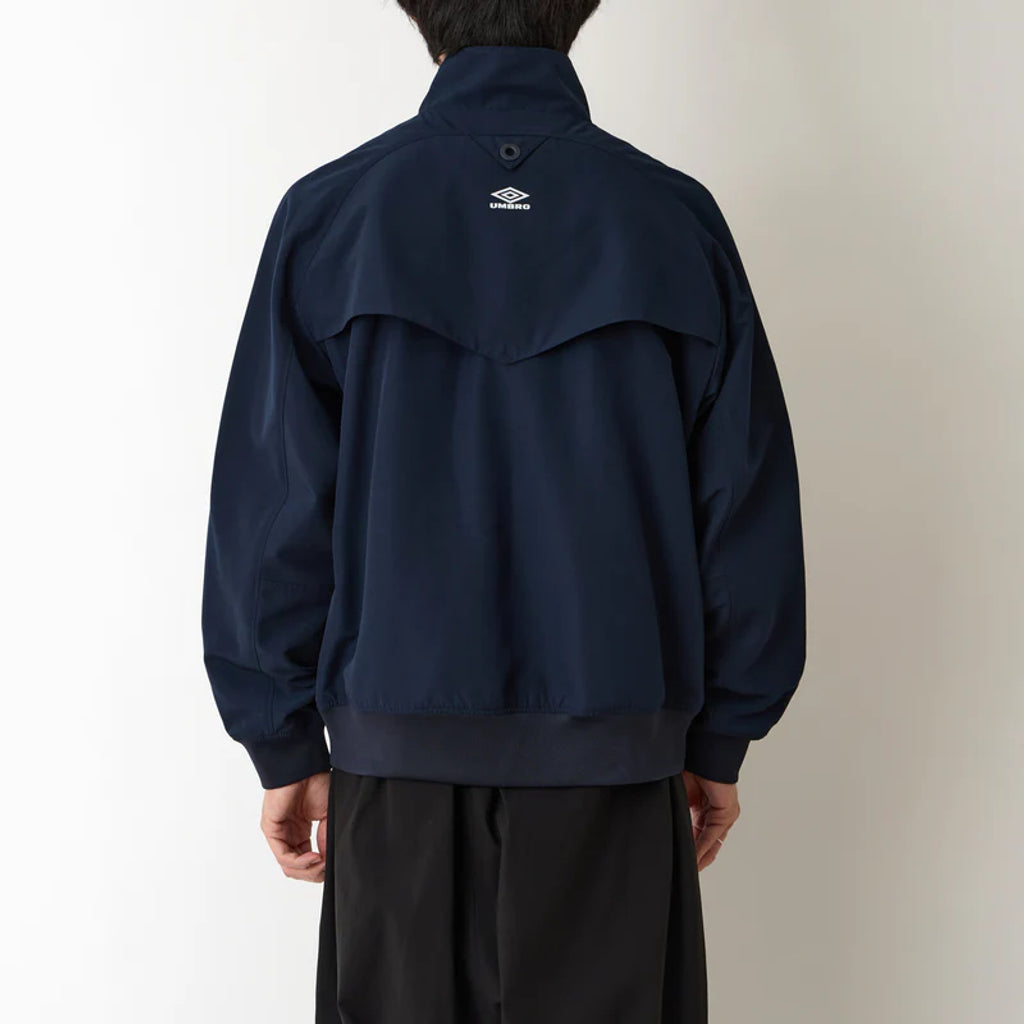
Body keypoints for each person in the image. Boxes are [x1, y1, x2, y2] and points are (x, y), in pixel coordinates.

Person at [201, 1, 806, 1020]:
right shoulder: (671, 219)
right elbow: (744, 506)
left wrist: (284, 741)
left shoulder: (334, 214)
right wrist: (718, 740)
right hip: (616, 761)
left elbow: (272, 512)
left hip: (395, 768)